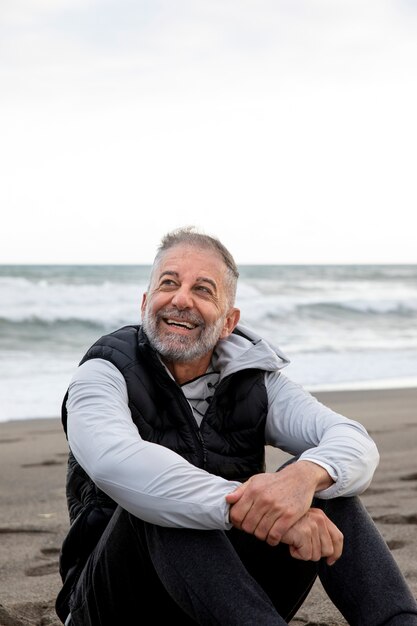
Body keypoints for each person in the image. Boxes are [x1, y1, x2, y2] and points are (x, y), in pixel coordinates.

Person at [56, 226, 417, 626]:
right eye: (169, 283)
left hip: (223, 596)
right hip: (115, 603)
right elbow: (115, 462)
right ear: (145, 302)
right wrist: (256, 509)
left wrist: (304, 478)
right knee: (160, 502)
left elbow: (354, 442)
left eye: (203, 290)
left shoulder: (255, 380)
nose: (180, 300)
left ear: (229, 321)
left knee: (325, 489)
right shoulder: (103, 374)